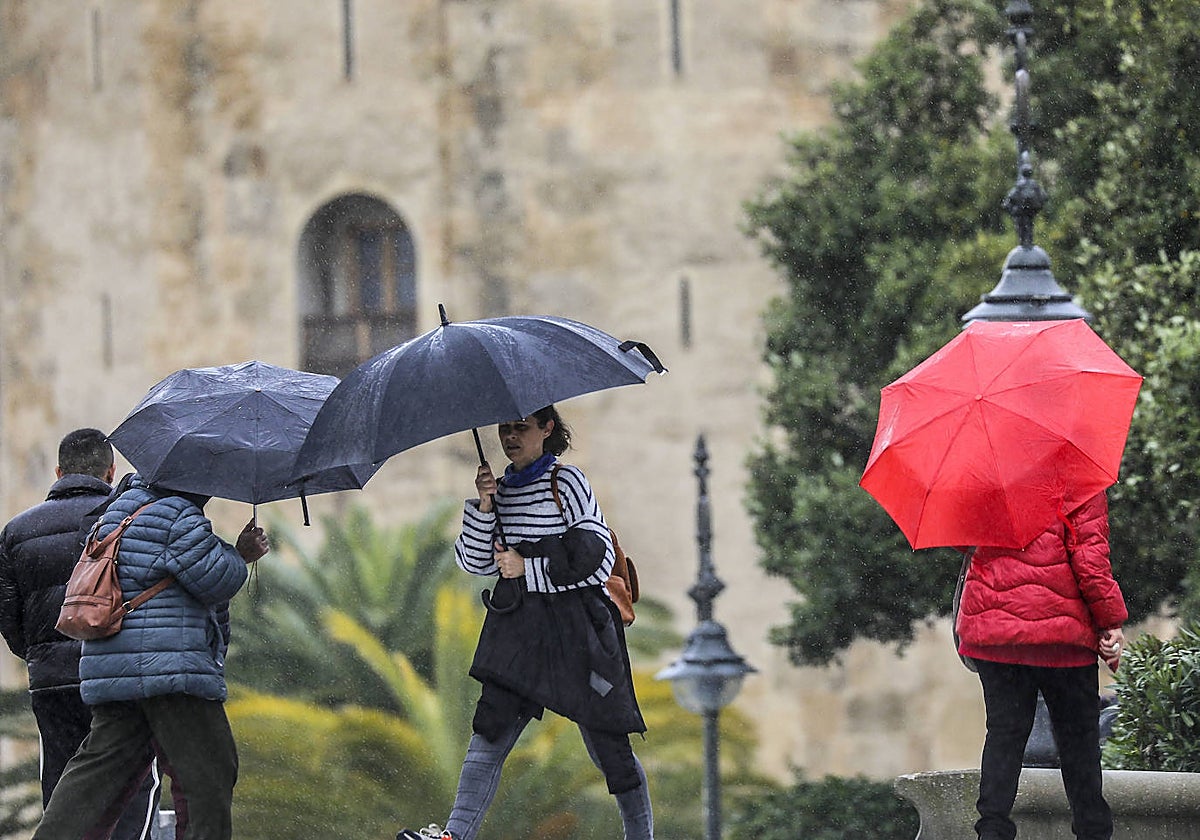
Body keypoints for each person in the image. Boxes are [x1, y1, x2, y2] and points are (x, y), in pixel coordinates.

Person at [415, 406, 653, 840]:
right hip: (520, 629)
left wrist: (528, 568)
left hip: (579, 629)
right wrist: (486, 505)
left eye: (520, 427)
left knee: (608, 746)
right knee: (490, 729)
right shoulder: (501, 489)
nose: (510, 437)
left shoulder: (568, 482)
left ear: (546, 429)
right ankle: (454, 834)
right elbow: (472, 562)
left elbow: (596, 561)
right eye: (505, 428)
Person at [31, 472, 269, 840]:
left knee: (95, 778)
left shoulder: (114, 512)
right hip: (169, 670)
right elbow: (215, 579)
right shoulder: (176, 514)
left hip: (114, 669)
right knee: (209, 772)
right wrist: (242, 554)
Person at [0, 429, 160, 840]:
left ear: (58, 472)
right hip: (120, 676)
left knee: (63, 784)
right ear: (111, 472)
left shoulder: (15, 533)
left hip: (53, 682)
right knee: (136, 782)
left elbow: (11, 623)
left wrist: (44, 652)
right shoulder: (129, 520)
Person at [955, 490, 1128, 840]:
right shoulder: (1080, 477)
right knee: (1079, 742)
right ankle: (1093, 832)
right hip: (1061, 636)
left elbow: (962, 541)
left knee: (1004, 734)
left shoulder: (985, 472)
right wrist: (1110, 621)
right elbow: (1090, 561)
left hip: (997, 633)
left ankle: (992, 831)